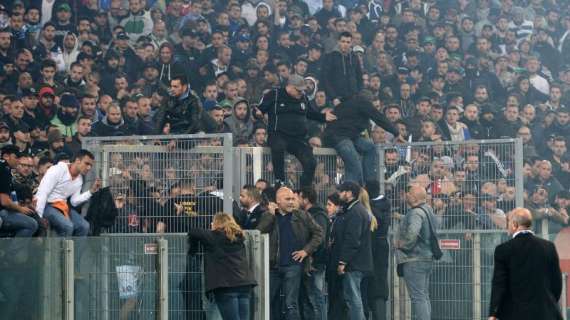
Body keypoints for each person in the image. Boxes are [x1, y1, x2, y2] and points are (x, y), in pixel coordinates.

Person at [256, 74, 336, 188]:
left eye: (303, 91)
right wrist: (257, 114)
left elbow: (310, 113)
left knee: (311, 162)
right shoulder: (274, 94)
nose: (301, 93)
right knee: (278, 146)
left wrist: (323, 117)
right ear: (290, 87)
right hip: (278, 134)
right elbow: (259, 109)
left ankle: (304, 188)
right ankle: (280, 181)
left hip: (297, 138)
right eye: (299, 91)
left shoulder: (303, 98)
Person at [257, 186, 323, 320]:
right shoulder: (268, 215)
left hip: (293, 266)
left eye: (293, 199)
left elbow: (319, 233)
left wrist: (306, 250)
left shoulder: (302, 215)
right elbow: (259, 232)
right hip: (272, 267)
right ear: (278, 201)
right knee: (269, 302)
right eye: (287, 199)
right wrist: (270, 214)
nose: (292, 202)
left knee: (290, 304)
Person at [488, 208, 563, 320]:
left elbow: (499, 284)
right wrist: (548, 302)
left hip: (514, 313)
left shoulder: (503, 250)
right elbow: (557, 282)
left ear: (514, 224)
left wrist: (493, 313)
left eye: (508, 222)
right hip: (545, 312)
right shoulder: (548, 247)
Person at [187, 213, 257, 320]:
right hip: (244, 285)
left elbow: (193, 231)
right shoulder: (239, 236)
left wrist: (193, 248)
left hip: (226, 287)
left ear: (216, 224)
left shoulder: (214, 236)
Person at [323, 93, 398, 184]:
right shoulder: (363, 103)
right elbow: (378, 118)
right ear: (369, 102)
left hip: (349, 136)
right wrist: (395, 132)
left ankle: (370, 183)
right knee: (354, 165)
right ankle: (350, 192)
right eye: (374, 106)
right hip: (339, 137)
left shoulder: (348, 104)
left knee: (370, 147)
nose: (374, 109)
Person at [329, 181, 373, 320]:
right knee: (352, 298)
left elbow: (352, 240)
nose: (339, 194)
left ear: (349, 193)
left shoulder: (355, 212)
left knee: (353, 299)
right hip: (354, 262)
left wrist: (343, 261)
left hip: (354, 263)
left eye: (341, 191)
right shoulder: (353, 210)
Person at [395, 185, 438, 320]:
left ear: (414, 197)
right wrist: (401, 217)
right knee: (423, 296)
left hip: (414, 259)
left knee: (418, 297)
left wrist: (403, 243)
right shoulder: (427, 210)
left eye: (409, 193)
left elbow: (413, 231)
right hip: (427, 258)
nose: (406, 194)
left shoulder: (415, 213)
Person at [35, 149, 101, 236]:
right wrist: (38, 217)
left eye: (90, 165)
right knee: (68, 226)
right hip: (47, 205)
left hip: (63, 206)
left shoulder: (79, 179)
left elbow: (74, 201)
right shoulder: (57, 170)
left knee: (84, 226)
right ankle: (61, 250)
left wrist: (91, 192)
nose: (88, 168)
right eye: (86, 163)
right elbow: (43, 193)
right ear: (77, 160)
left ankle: (76, 250)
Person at [298, 187, 329, 320]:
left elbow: (319, 239)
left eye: (298, 197)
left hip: (316, 263)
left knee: (316, 297)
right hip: (310, 262)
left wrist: (310, 255)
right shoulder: (309, 214)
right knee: (310, 297)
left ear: (305, 199)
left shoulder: (318, 215)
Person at [365, 180, 391, 320]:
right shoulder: (385, 205)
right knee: (378, 287)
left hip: (374, 251)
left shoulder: (373, 208)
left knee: (375, 288)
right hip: (380, 249)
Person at [0, 145, 37, 237]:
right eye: (16, 157)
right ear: (5, 156)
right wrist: (20, 209)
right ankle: (12, 251)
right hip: (2, 212)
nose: (18, 160)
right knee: (32, 224)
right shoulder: (4, 169)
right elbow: (4, 201)